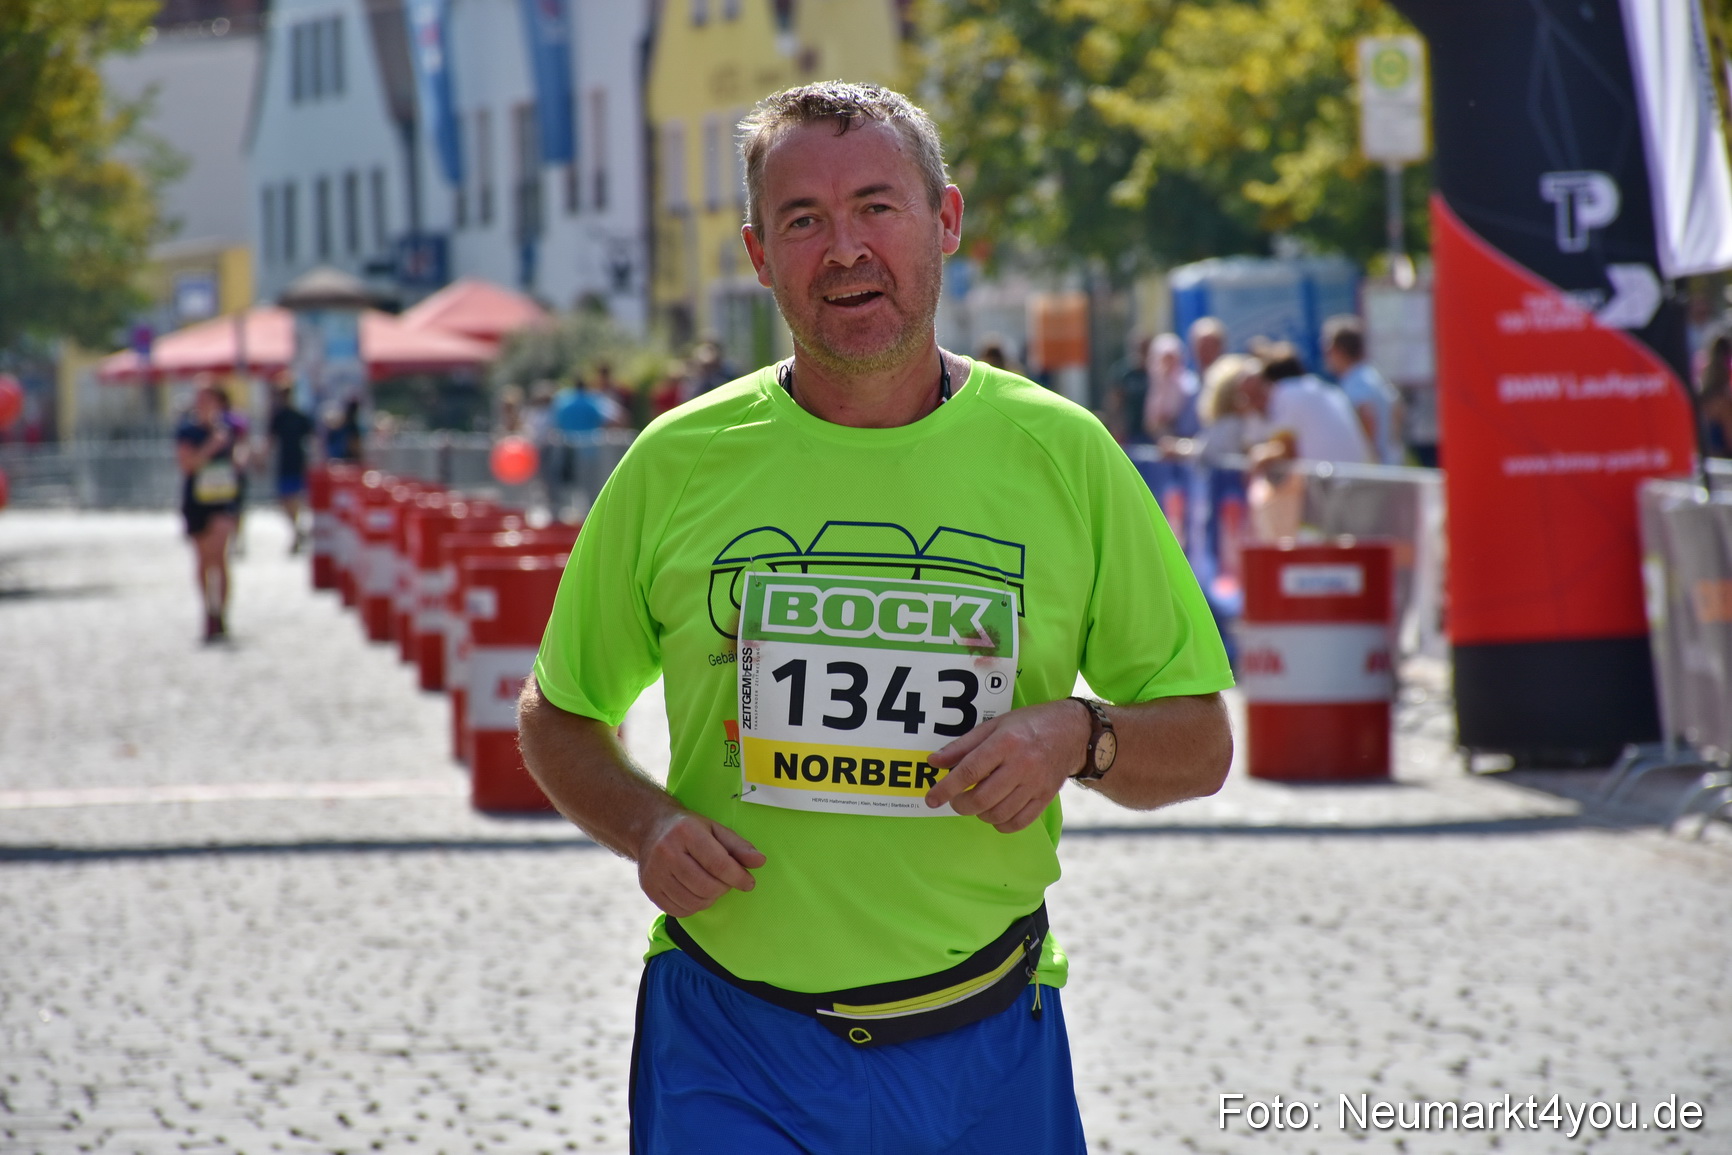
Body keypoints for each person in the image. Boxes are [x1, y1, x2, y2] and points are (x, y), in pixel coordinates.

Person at [517, 81, 1234, 1153]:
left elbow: (1201, 745)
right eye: (802, 220)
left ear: (944, 221)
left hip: (990, 1041)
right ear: (761, 258)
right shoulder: (676, 463)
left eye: (875, 207)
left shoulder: (1063, 453)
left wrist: (1075, 735)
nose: (843, 249)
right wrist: (649, 825)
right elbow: (557, 715)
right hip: (730, 1046)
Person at [175, 384, 249, 641]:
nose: (204, 404)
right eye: (200, 399)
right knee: (203, 559)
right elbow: (187, 465)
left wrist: (240, 459)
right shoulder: (188, 430)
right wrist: (210, 447)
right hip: (197, 500)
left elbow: (240, 454)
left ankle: (221, 613)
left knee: (220, 556)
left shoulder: (229, 429)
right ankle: (207, 610)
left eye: (209, 399)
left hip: (222, 499)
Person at [1321, 314, 1404, 466]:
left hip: (1373, 472)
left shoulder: (1356, 382)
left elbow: (1366, 414)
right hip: (1391, 464)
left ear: (1338, 350)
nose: (1326, 356)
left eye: (1328, 349)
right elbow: (1397, 410)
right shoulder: (1372, 375)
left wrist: (1369, 459)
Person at [266, 381, 314, 553]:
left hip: (298, 460)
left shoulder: (299, 416)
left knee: (295, 498)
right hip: (284, 461)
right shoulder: (278, 417)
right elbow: (270, 441)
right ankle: (297, 530)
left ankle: (296, 532)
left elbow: (313, 438)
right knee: (284, 500)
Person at [1143, 331, 1201, 441]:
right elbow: (1151, 422)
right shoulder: (1156, 385)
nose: (1167, 363)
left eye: (1171, 358)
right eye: (1164, 359)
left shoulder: (1191, 384)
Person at [1187, 315, 1227, 379]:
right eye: (1203, 347)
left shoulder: (1232, 383)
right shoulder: (1189, 383)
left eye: (1212, 347)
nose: (1207, 353)